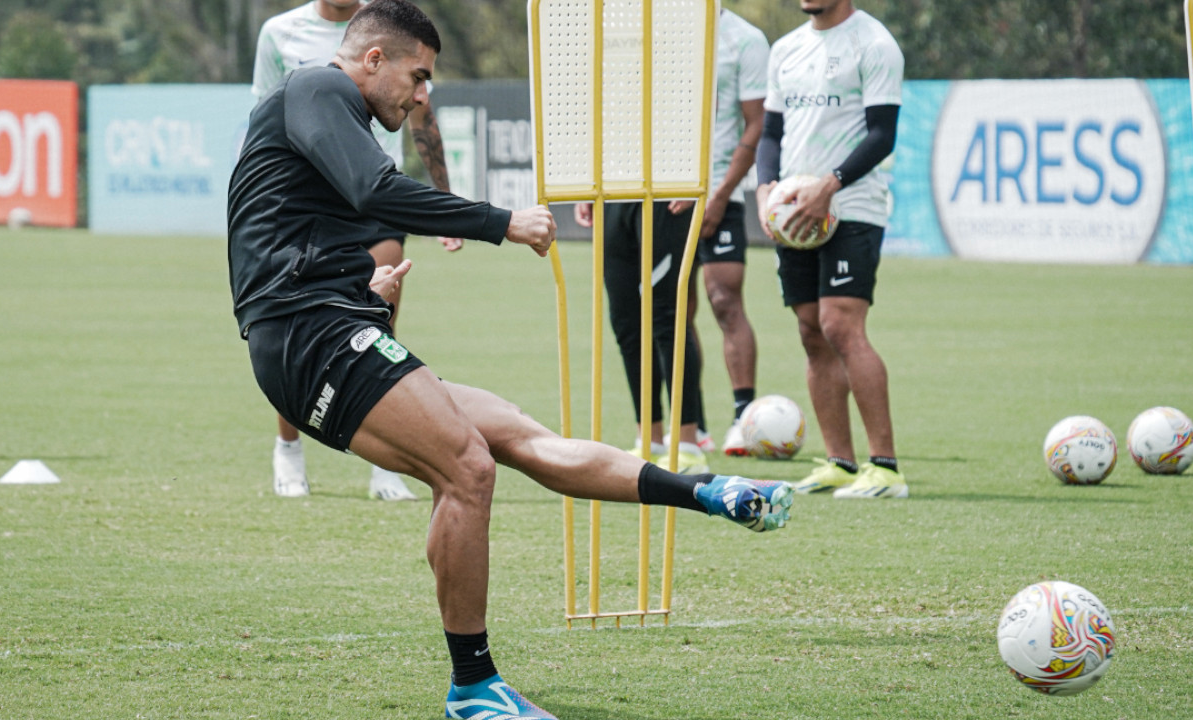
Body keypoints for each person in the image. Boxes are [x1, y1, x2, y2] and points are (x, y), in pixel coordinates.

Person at [226, 3, 795, 718]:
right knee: (468, 467)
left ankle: (706, 491)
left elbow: (286, 228)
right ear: (373, 59)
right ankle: (473, 687)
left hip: (322, 325)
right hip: (308, 336)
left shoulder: (333, 114)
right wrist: (502, 222)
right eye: (419, 75)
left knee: (519, 438)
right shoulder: (318, 87)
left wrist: (359, 285)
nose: (422, 95)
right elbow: (372, 193)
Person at [252, 0, 462, 502]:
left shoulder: (390, 25)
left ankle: (387, 457)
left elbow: (421, 113)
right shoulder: (280, 34)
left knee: (379, 318)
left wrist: (446, 201)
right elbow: (261, 113)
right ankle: (288, 448)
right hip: (312, 199)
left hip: (377, 192)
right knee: (303, 323)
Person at [755, 0, 907, 499]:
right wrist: (765, 190)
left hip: (852, 207)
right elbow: (770, 132)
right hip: (794, 215)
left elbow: (883, 134)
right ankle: (840, 462)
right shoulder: (786, 49)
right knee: (810, 330)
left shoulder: (874, 43)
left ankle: (884, 468)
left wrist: (831, 185)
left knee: (841, 325)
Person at [685, 7, 769, 457]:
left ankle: (744, 418)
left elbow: (756, 123)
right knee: (673, 310)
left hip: (722, 193)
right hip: (668, 193)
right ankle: (691, 423)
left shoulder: (745, 39)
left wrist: (719, 195)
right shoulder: (660, 31)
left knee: (724, 300)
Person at [573, 198, 710, 474]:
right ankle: (649, 440)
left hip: (665, 192)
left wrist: (692, 177)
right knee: (626, 322)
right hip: (613, 192)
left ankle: (687, 445)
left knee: (666, 317)